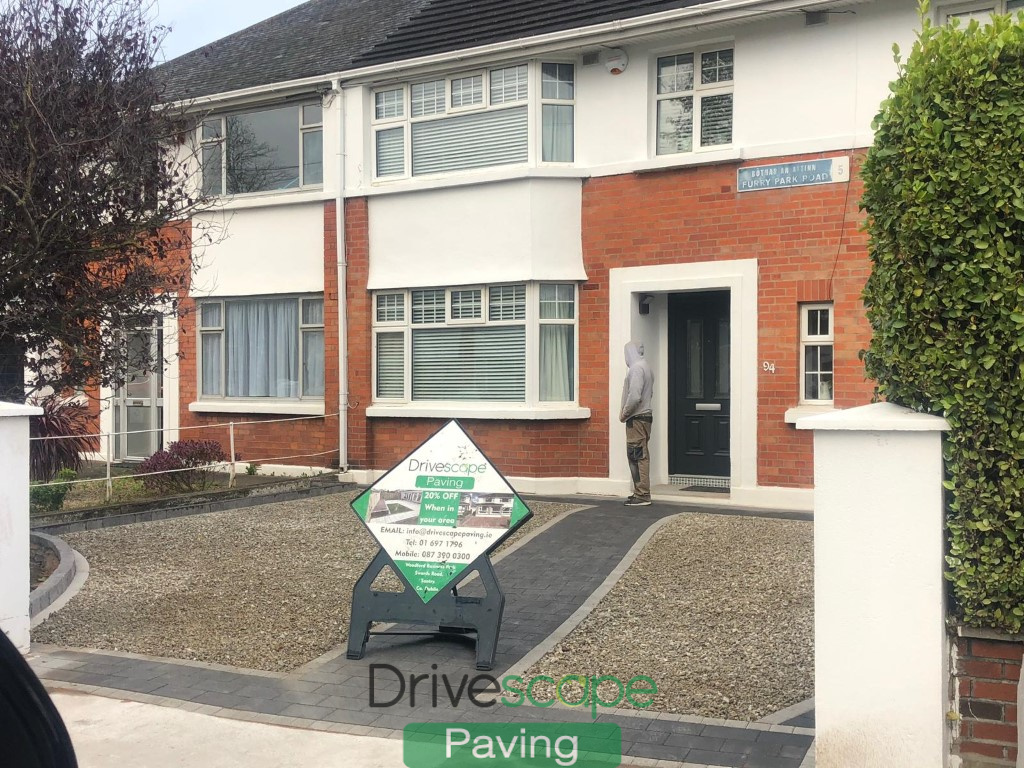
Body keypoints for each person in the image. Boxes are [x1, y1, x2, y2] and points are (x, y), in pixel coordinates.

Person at [619, 341, 654, 506]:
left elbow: (634, 396)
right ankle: (641, 492)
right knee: (641, 454)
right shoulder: (646, 367)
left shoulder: (636, 369)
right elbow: (649, 393)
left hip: (637, 419)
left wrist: (624, 413)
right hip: (645, 417)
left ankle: (642, 494)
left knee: (637, 455)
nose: (625, 358)